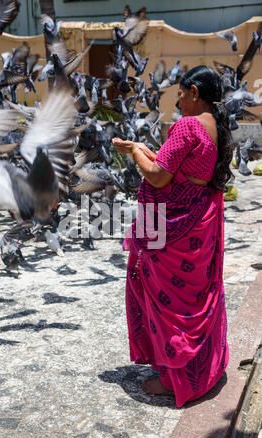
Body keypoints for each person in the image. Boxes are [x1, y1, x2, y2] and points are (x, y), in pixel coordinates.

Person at [112, 65, 234, 408]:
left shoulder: (187, 126)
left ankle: (173, 378)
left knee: (166, 300)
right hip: (198, 223)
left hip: (174, 230)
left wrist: (134, 151)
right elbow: (177, 167)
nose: (177, 100)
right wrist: (142, 148)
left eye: (181, 93)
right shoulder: (216, 127)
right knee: (192, 299)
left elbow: (158, 177)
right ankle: (198, 371)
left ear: (195, 92)